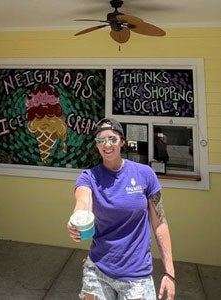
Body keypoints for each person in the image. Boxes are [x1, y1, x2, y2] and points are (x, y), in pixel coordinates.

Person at [67, 118, 175, 300]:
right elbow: (83, 201)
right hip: (98, 271)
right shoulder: (89, 177)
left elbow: (159, 223)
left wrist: (169, 273)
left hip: (137, 275)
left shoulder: (145, 174)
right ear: (96, 145)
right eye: (100, 140)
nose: (106, 145)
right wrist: (77, 217)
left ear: (122, 142)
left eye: (112, 139)